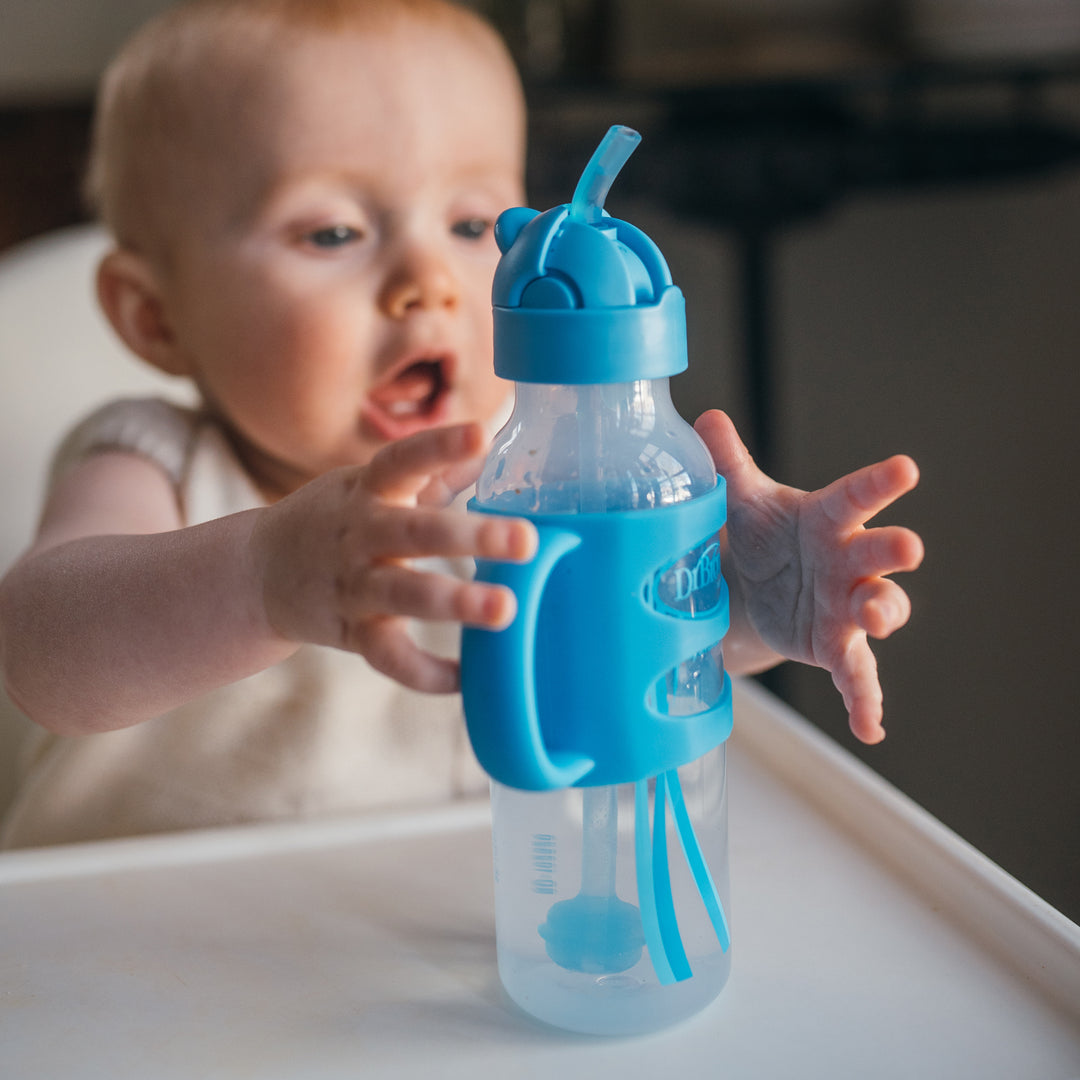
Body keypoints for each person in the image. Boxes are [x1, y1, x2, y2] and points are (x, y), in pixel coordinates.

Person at [0, 0, 923, 848]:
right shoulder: (154, 458)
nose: (429, 283)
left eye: (473, 222)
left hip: (413, 956)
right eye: (332, 233)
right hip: (145, 963)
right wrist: (262, 575)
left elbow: (628, 663)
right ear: (155, 318)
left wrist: (746, 612)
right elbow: (41, 654)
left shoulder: (529, 475)